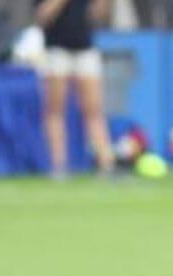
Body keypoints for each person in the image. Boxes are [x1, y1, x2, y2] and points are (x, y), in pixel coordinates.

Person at [34, 0, 114, 177]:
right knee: (55, 111)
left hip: (84, 47)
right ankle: (59, 166)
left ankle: (106, 164)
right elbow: (42, 16)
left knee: (94, 110)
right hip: (56, 49)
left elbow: (96, 15)